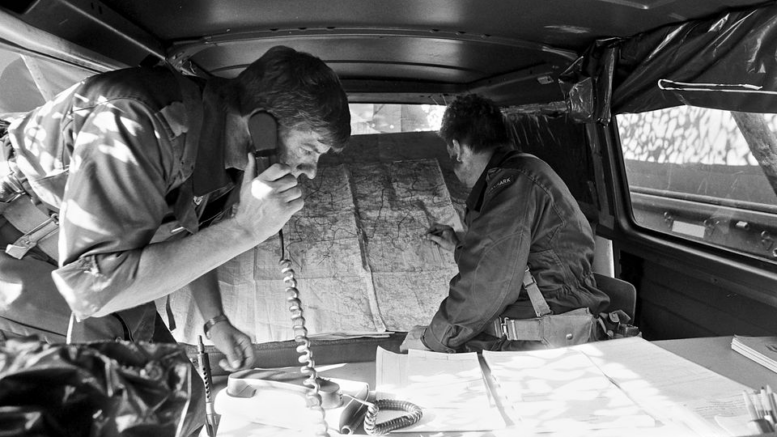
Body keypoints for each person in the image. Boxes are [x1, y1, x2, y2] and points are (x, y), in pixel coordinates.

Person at [0, 45, 350, 432]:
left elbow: (191, 235)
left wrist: (215, 320)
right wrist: (246, 228)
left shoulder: (226, 153)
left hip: (94, 274)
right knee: (147, 408)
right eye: (309, 149)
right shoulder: (136, 121)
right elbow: (94, 291)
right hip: (23, 265)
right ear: (261, 123)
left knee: (185, 406)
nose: (311, 170)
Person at [401, 93, 608, 353]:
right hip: (547, 323)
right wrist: (457, 246)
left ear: (458, 148)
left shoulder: (513, 186)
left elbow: (487, 283)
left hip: (542, 340)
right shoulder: (526, 171)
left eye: (450, 152)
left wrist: (431, 341)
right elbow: (511, 257)